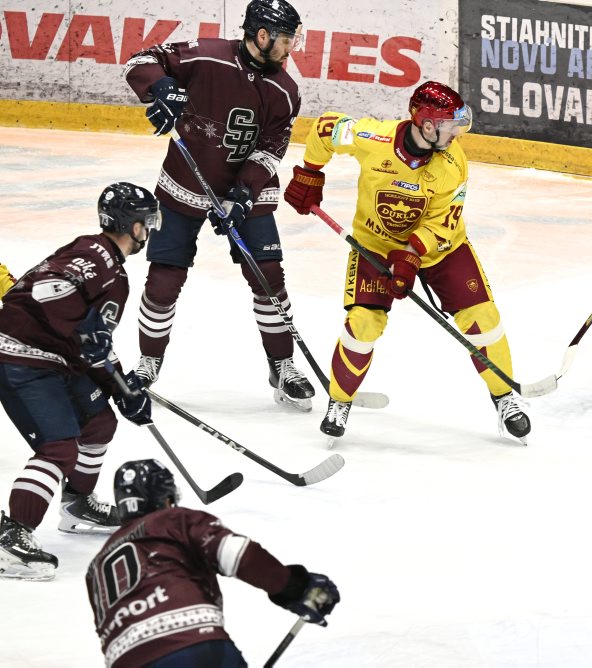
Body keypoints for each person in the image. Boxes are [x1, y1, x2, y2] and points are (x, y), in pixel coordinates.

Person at [283, 81, 531, 443]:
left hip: (441, 248)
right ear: (427, 125)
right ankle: (339, 401)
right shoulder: (373, 137)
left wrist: (412, 255)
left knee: (483, 318)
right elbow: (325, 128)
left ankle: (505, 396)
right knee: (363, 323)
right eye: (450, 125)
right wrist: (310, 172)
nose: (457, 134)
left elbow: (444, 221)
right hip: (375, 245)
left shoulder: (453, 162)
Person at [123, 0, 316, 410]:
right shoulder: (206, 56)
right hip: (184, 183)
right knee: (164, 279)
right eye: (287, 39)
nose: (291, 48)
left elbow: (270, 149)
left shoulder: (286, 90)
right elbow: (142, 59)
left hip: (248, 193)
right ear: (262, 36)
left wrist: (245, 192)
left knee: (268, 278)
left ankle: (282, 365)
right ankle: (147, 362)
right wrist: (160, 86)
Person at [0, 183, 159, 581]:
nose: (150, 230)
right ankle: (11, 537)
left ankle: (77, 505)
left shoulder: (111, 268)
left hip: (54, 359)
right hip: (21, 354)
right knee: (59, 446)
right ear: (131, 224)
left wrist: (122, 386)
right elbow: (48, 290)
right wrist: (87, 331)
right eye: (147, 222)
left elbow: (92, 344)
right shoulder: (96, 253)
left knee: (100, 422)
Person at [86, 459, 339, 667]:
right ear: (164, 500)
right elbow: (239, 554)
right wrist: (296, 588)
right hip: (194, 646)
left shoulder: (96, 566)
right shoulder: (174, 520)